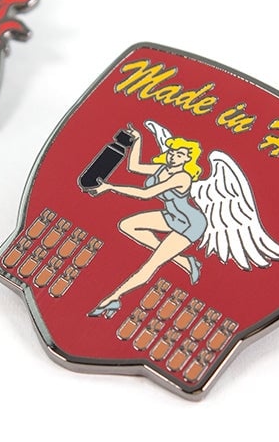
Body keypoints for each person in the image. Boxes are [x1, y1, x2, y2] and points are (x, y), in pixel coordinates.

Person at [87, 125, 207, 319]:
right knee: (127, 225)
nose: (173, 156)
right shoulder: (162, 169)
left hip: (189, 224)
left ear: (187, 159)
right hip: (171, 216)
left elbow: (146, 194)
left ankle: (113, 299)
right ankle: (183, 260)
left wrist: (110, 187)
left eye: (180, 154)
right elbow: (133, 167)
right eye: (172, 152)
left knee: (151, 264)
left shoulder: (182, 177)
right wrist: (138, 139)